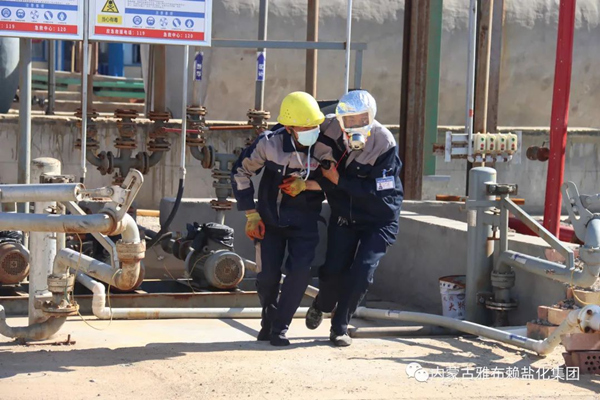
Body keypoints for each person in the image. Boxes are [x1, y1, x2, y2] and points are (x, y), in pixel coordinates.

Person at [280, 90, 403, 347]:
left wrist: (338, 180)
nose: (356, 125)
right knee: (332, 272)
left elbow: (378, 191)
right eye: (350, 120)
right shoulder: (328, 128)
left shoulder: (384, 142)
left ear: (372, 116)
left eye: (362, 119)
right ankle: (323, 304)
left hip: (378, 218)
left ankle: (340, 327)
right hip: (344, 215)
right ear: (339, 119)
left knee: (362, 272)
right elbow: (297, 124)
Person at [231, 91, 334, 347]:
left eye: (314, 126)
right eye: (304, 128)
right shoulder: (269, 144)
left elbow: (336, 183)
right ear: (289, 128)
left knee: (299, 274)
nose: (311, 131)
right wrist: (251, 213)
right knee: (267, 277)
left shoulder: (325, 147)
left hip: (305, 222)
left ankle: (280, 328)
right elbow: (240, 172)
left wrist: (307, 185)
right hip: (270, 221)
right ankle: (269, 316)